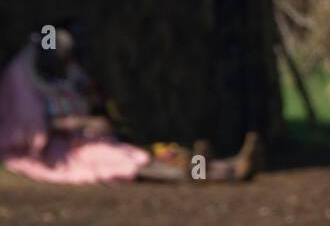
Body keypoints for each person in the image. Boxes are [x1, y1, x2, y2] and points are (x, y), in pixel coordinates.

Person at [0, 26, 258, 184]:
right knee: (127, 161)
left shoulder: (64, 72)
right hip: (57, 152)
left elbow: (80, 95)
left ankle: (227, 167)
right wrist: (79, 123)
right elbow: (26, 133)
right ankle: (212, 173)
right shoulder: (20, 81)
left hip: (84, 141)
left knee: (140, 154)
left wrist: (92, 115)